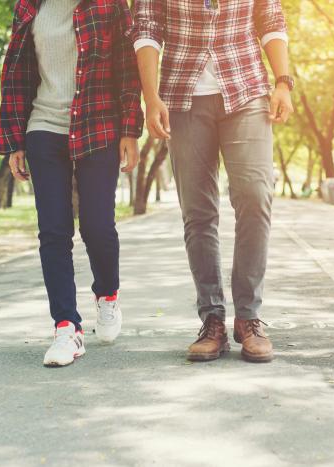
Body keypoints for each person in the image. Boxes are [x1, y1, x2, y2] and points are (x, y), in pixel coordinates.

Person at [133, 0, 294, 362]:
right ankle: (213, 319)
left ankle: (249, 318)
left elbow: (269, 15)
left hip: (246, 86)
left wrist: (283, 81)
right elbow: (146, 26)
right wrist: (150, 95)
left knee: (255, 195)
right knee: (198, 210)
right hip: (182, 92)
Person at [0, 0, 144, 367]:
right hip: (45, 126)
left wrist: (130, 130)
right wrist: (14, 139)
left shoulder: (109, 4)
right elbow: (16, 72)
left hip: (98, 125)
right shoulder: (30, 7)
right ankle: (66, 327)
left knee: (97, 226)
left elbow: (128, 69)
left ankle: (107, 296)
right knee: (54, 231)